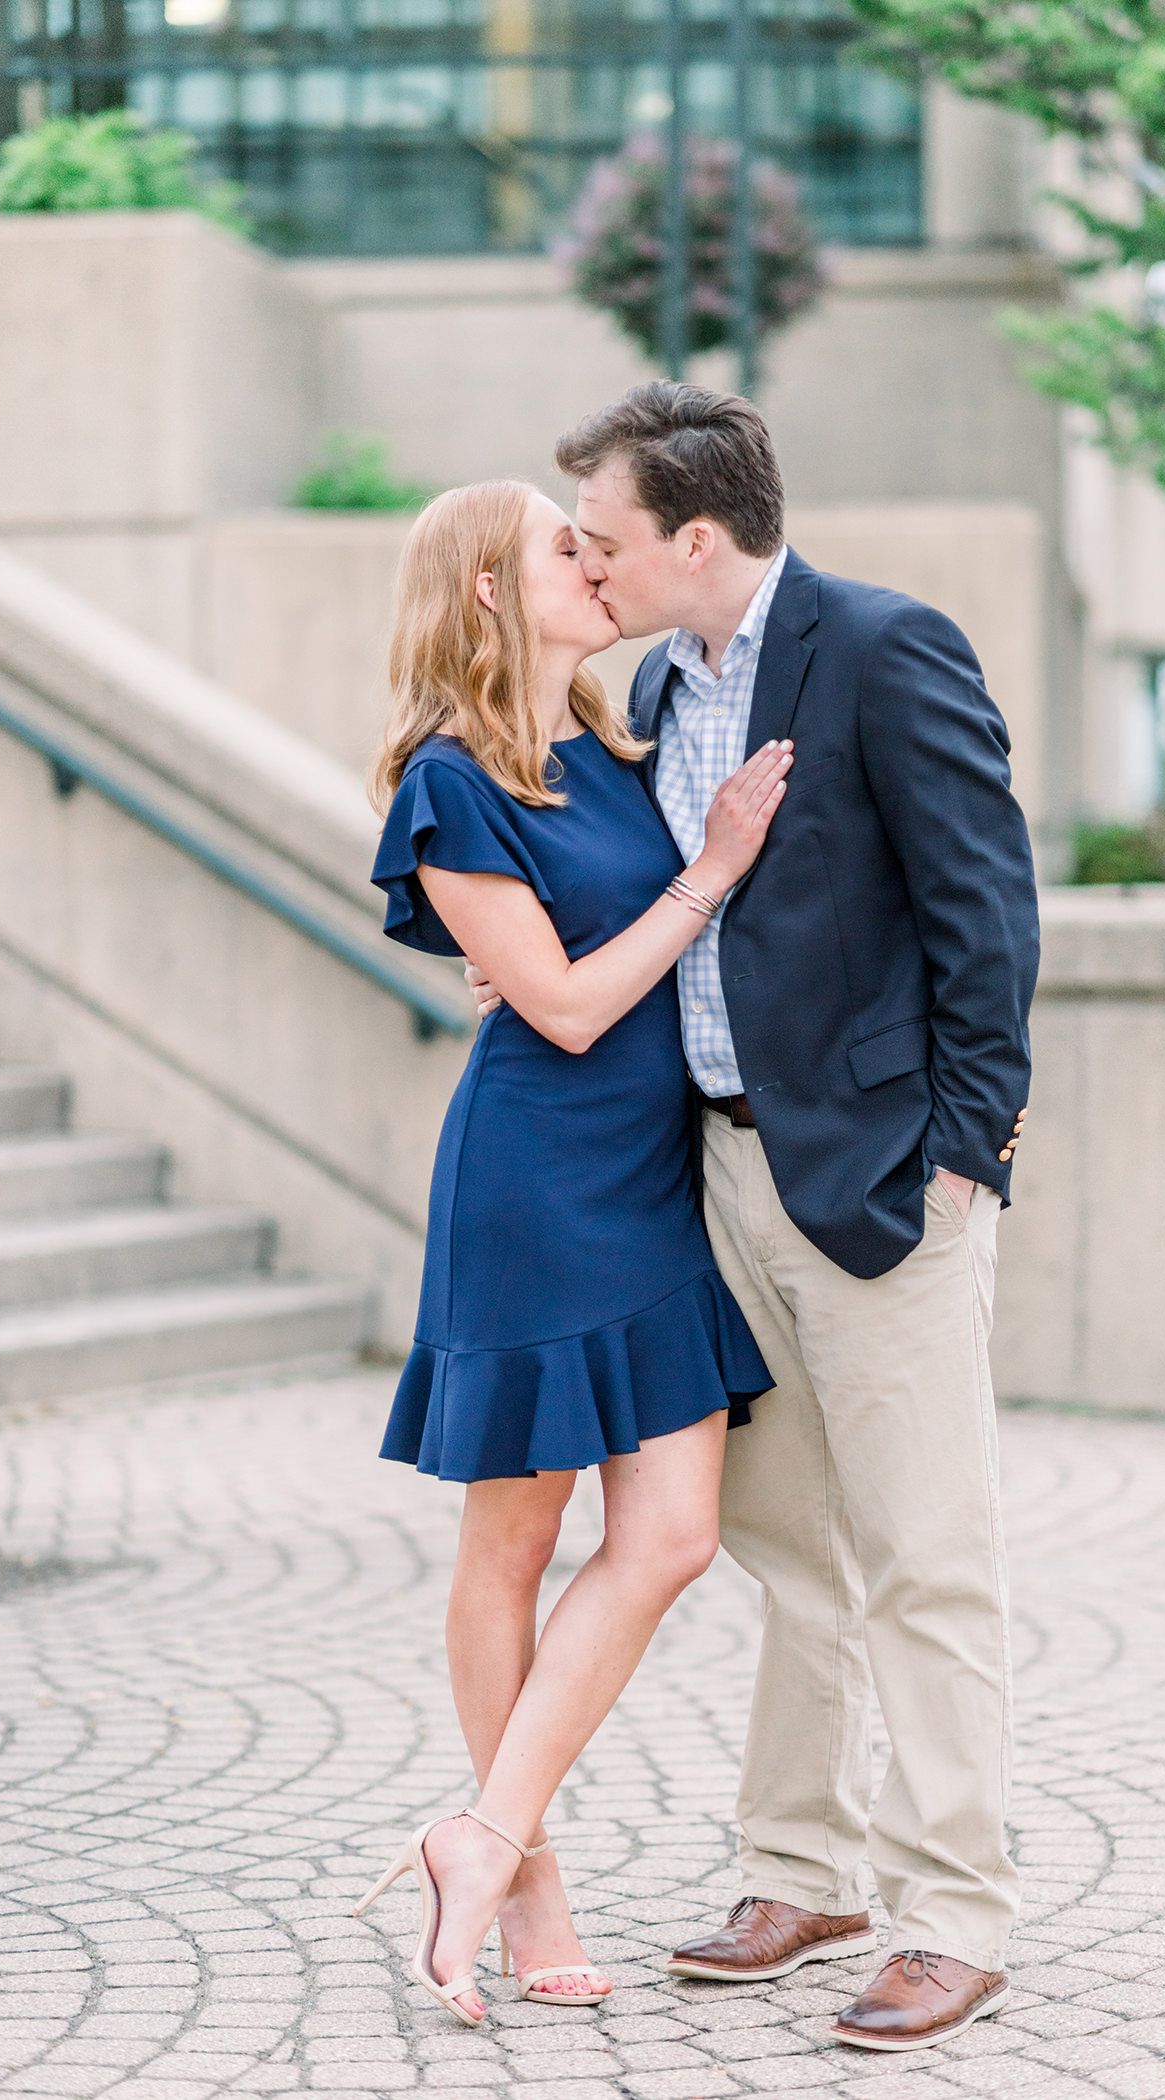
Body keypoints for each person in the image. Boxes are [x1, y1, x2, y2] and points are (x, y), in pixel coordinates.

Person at [470, 383, 1040, 2051]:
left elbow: (985, 912)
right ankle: (804, 1867)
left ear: (695, 540)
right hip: (716, 1182)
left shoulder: (879, 645)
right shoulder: (656, 684)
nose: (584, 558)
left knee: (927, 1557)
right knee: (789, 1546)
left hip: (879, 1179)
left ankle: (954, 1912)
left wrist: (965, 1148)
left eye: (605, 536)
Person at [357, 478, 785, 2028]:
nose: (593, 563)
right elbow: (569, 1005)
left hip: (649, 1179)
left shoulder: (618, 744)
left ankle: (470, 1832)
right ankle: (524, 1879)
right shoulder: (446, 780)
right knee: (512, 1546)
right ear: (485, 587)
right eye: (563, 545)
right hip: (535, 1188)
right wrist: (709, 869)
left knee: (669, 1535)